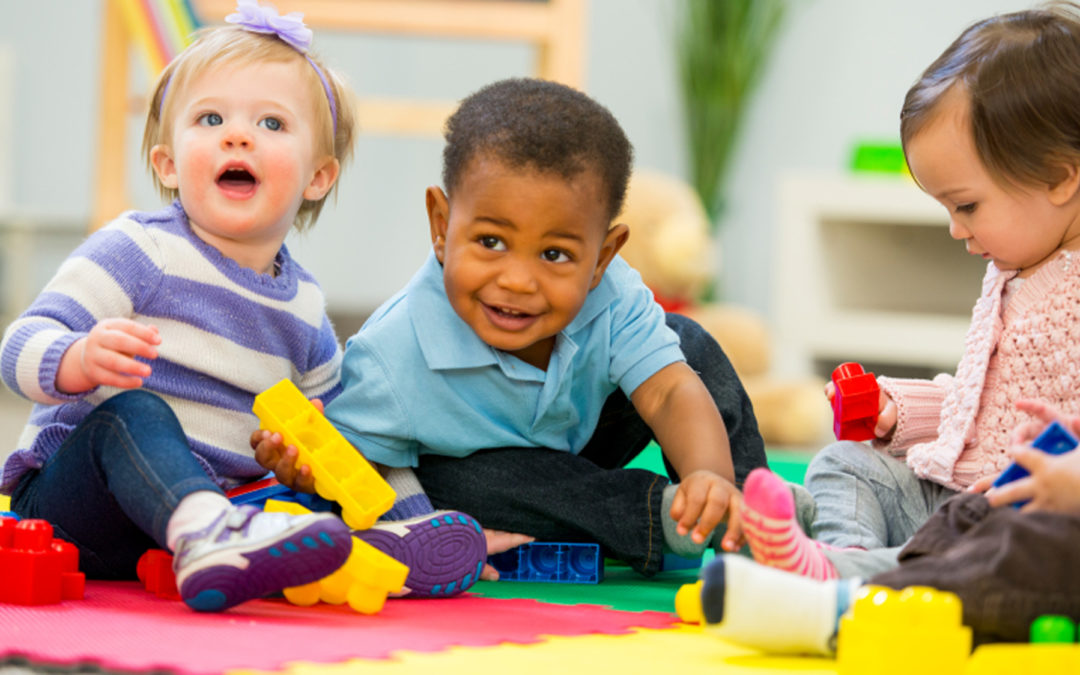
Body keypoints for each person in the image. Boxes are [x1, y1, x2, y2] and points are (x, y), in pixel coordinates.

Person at [281, 77, 769, 580]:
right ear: (441, 226)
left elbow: (667, 394)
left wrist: (708, 474)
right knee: (463, 487)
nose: (517, 281)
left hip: (588, 431)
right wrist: (306, 470)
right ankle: (662, 518)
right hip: (506, 478)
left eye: (555, 255)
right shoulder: (393, 357)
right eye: (491, 241)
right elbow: (355, 469)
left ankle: (751, 514)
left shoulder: (613, 294)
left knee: (686, 344)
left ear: (602, 258)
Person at [0, 0, 358, 612]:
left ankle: (254, 543)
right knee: (134, 410)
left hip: (185, 530)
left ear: (317, 177)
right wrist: (77, 358)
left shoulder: (305, 310)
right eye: (211, 118)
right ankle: (208, 532)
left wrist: (302, 463)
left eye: (272, 124)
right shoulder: (140, 249)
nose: (238, 135)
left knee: (314, 494)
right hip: (75, 509)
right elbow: (18, 348)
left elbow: (343, 432)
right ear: (167, 165)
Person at [737, 2, 1080, 581]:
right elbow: (981, 409)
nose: (955, 227)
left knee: (990, 546)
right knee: (845, 463)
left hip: (1016, 514)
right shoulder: (1012, 273)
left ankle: (850, 574)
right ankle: (842, 558)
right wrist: (900, 413)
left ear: (1060, 177)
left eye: (967, 204)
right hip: (949, 496)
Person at [683, 398, 1080, 653]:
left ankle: (838, 602)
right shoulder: (1000, 292)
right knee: (965, 513)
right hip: (979, 498)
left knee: (1021, 544)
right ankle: (839, 557)